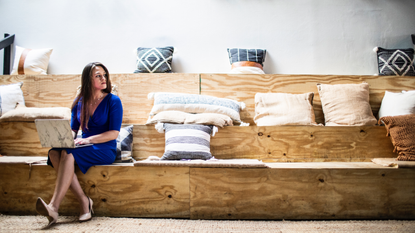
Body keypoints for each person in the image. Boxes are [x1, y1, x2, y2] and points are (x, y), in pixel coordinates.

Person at [35, 62, 123, 227]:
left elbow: (114, 133)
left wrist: (88, 139)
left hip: (104, 147)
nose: (104, 78)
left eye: (104, 75)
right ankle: (84, 200)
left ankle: (54, 206)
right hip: (83, 146)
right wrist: (63, 139)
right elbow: (73, 131)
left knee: (69, 153)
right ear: (88, 80)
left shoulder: (113, 101)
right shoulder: (79, 102)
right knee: (54, 152)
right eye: (98, 76)